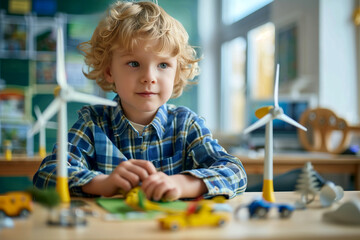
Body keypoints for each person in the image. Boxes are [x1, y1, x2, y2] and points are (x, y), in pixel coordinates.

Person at [33, 1, 247, 201]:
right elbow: (47, 174)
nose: (149, 77)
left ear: (177, 72)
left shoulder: (186, 125)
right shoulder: (92, 123)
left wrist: (182, 183)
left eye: (163, 65)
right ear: (109, 71)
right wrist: (101, 183)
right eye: (134, 63)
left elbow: (234, 172)